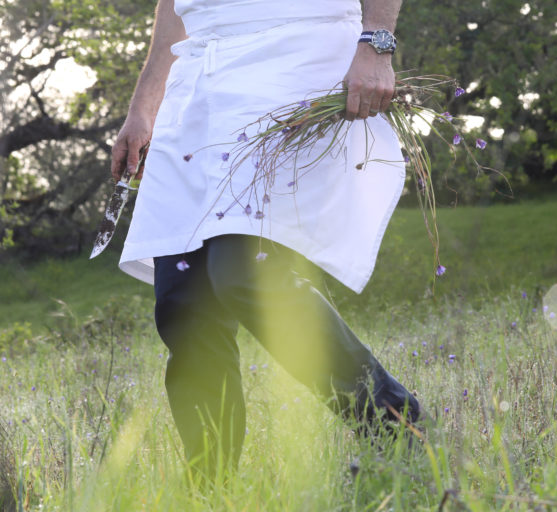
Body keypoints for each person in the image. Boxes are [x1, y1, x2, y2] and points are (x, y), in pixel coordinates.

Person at [110, 0, 420, 481]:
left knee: (244, 271)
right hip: (198, 86)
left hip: (295, 58)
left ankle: (398, 426)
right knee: (182, 301)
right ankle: (210, 487)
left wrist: (376, 43)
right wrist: (143, 109)